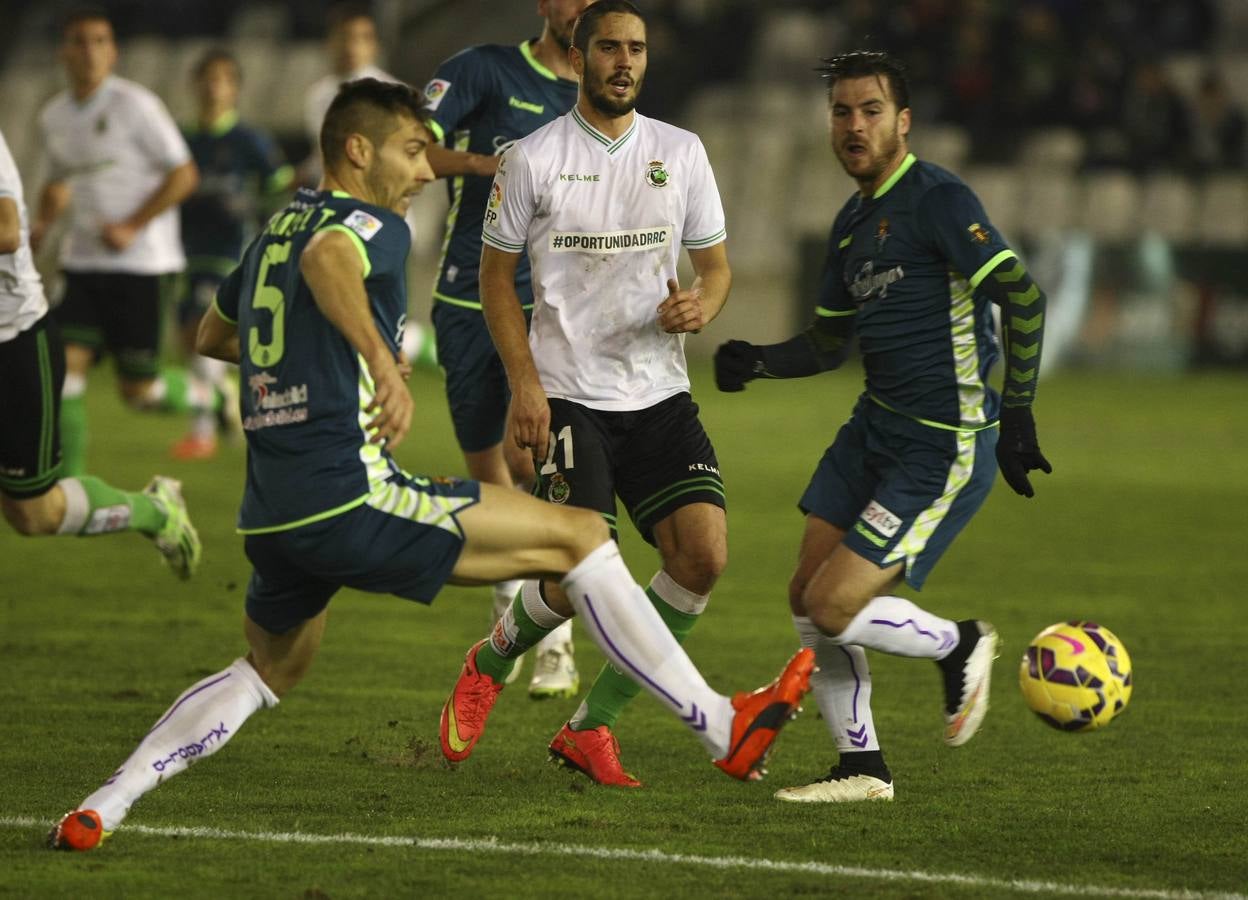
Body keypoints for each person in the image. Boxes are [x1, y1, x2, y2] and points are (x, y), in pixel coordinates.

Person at [47, 78, 813, 852]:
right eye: (413, 152)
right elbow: (328, 260)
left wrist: (326, 363)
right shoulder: (365, 224)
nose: (424, 172)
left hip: (272, 514)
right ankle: (720, 726)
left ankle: (105, 804)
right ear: (356, 150)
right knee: (582, 537)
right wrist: (378, 358)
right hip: (353, 497)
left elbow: (216, 337)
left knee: (268, 668)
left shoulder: (277, 228)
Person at [714, 51, 1052, 803]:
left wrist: (1019, 408)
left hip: (942, 441)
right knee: (806, 594)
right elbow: (830, 345)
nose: (853, 126)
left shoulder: (936, 198)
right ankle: (860, 767)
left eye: (870, 111)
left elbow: (1022, 298)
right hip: (874, 427)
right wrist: (759, 362)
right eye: (841, 112)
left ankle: (958, 643)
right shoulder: (850, 223)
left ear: (903, 122)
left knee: (837, 604)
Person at [442, 0, 735, 789]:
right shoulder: (530, 158)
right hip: (571, 393)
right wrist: (526, 386)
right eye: (610, 47)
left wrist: (703, 303)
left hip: (661, 392)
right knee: (581, 571)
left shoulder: (683, 150)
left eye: (637, 49)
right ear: (580, 55)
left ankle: (590, 725)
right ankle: (493, 659)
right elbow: (496, 280)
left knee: (702, 559)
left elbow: (715, 266)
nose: (625, 62)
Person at [419, 0, 592, 698]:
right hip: (468, 298)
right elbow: (411, 148)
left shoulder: (600, 94)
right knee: (491, 472)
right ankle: (509, 610)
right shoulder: (483, 71)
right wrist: (487, 163)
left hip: (551, 308)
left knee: (544, 465)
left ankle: (556, 645)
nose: (577, 7)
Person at [0, 126, 200, 577]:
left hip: (12, 340)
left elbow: (7, 231)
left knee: (35, 514)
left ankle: (152, 510)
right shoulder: (58, 115)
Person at [32, 7, 221, 477]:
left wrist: (133, 225)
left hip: (142, 265)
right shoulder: (53, 116)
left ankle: (211, 396)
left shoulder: (136, 105)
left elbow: (185, 174)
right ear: (64, 51)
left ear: (113, 51)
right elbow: (58, 180)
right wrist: (41, 224)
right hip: (82, 263)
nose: (91, 51)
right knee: (64, 369)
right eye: (80, 40)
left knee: (141, 394)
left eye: (101, 41)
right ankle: (68, 485)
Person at [171, 48, 295, 461]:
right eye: (207, 78)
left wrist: (258, 212)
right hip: (184, 248)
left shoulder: (248, 141)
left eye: (223, 79)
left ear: (235, 89)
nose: (213, 86)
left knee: (203, 329)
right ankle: (226, 396)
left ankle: (201, 432)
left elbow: (279, 184)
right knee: (189, 340)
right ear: (195, 84)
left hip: (229, 250)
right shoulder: (181, 139)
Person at [300, 2, 438, 368]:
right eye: (345, 37)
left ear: (373, 44)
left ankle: (443, 349)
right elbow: (325, 159)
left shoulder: (393, 95)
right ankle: (432, 349)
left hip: (380, 221)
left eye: (361, 38)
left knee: (366, 322)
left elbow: (419, 158)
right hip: (335, 220)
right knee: (348, 319)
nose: (352, 45)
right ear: (330, 42)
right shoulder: (317, 96)